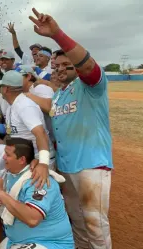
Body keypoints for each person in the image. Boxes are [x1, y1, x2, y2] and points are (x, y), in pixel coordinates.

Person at [29, 8, 113, 248]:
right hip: (67, 168)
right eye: (56, 66)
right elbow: (48, 106)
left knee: (95, 225)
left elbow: (87, 66)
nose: (59, 69)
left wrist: (57, 35)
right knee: (76, 220)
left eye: (66, 64)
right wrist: (22, 94)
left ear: (76, 67)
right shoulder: (59, 95)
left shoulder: (91, 86)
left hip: (91, 165)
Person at [0, 137, 74, 249]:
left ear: (21, 160)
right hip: (17, 240)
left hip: (50, 242)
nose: (3, 157)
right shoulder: (11, 173)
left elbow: (33, 219)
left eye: (8, 155)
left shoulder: (39, 180)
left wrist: (0, 192)